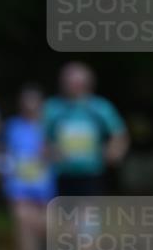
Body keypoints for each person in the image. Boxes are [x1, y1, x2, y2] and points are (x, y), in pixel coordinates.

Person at [44, 62, 128, 196]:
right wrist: (49, 151)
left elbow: (118, 134)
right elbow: (39, 136)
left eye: (77, 82)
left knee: (87, 215)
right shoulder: (52, 108)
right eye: (69, 82)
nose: (73, 86)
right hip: (60, 175)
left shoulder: (101, 107)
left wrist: (114, 151)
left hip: (92, 174)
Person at [0, 84, 54, 250]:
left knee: (43, 222)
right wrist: (3, 171)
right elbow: (3, 151)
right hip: (18, 182)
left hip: (45, 182)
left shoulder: (50, 125)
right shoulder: (12, 126)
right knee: (22, 219)